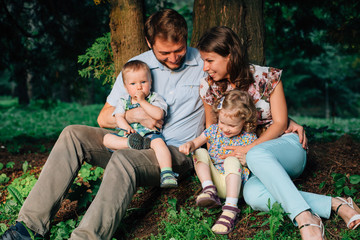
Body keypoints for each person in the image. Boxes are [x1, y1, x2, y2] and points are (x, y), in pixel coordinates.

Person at [0, 9, 206, 240]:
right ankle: (28, 228)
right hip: (132, 141)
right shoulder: (137, 67)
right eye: (164, 52)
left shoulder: (204, 64)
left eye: (179, 50)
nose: (173, 58)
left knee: (124, 159)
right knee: (73, 134)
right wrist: (136, 115)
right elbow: (104, 118)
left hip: (174, 151)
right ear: (149, 43)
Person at [196, 26, 360, 239]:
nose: (205, 67)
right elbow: (212, 130)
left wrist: (248, 149)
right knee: (253, 195)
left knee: (256, 153)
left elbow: (281, 122)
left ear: (229, 55)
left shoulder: (267, 77)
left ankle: (304, 218)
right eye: (203, 61)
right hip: (247, 164)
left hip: (284, 148)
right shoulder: (209, 87)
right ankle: (336, 204)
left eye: (209, 60)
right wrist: (225, 163)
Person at [179, 89, 258, 234]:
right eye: (222, 122)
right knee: (200, 151)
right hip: (216, 182)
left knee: (231, 160)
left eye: (232, 126)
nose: (225, 129)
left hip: (235, 185)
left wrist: (246, 161)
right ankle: (209, 189)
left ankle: (230, 209)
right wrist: (189, 145)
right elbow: (197, 142)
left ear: (244, 121)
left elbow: (256, 164)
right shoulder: (214, 130)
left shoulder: (249, 139)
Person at [103, 60, 178, 188]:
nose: (139, 87)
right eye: (133, 84)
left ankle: (167, 173)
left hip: (150, 135)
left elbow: (158, 114)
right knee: (107, 139)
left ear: (150, 82)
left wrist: (142, 101)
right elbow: (119, 117)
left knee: (160, 144)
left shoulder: (154, 98)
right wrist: (126, 127)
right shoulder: (123, 101)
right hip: (130, 134)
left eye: (143, 82)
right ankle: (130, 144)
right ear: (126, 87)